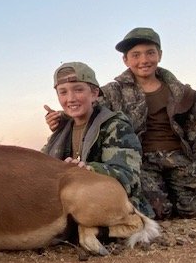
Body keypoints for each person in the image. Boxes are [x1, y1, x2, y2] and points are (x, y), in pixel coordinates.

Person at [46, 28, 196, 220]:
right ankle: (168, 201)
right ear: (126, 60)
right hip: (140, 164)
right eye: (135, 55)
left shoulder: (185, 94)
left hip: (180, 162)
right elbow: (86, 108)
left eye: (150, 53)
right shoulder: (112, 92)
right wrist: (61, 118)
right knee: (156, 210)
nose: (143, 60)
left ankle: (188, 196)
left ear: (160, 55)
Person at [42, 61, 152, 216]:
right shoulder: (60, 131)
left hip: (109, 203)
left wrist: (86, 170)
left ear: (94, 93)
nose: (71, 98)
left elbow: (128, 177)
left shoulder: (115, 126)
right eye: (63, 92)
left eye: (78, 90)